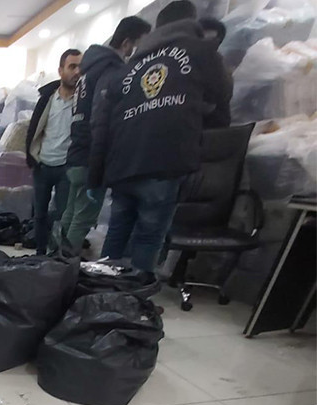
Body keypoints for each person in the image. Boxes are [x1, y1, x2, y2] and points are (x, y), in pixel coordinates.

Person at [88, 0, 232, 272]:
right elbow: (221, 101)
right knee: (148, 237)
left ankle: (100, 289)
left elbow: (103, 122)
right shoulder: (201, 52)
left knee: (117, 235)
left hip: (122, 165)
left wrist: (96, 175)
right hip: (164, 161)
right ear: (191, 23)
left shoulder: (131, 65)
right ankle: (134, 294)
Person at [60, 17, 151, 253]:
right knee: (81, 220)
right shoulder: (111, 70)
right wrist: (98, 168)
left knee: (70, 214)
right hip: (91, 157)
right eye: (139, 43)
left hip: (76, 153)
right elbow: (101, 121)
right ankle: (63, 266)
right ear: (127, 42)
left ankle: (54, 260)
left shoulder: (89, 70)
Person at [24, 49, 82, 255]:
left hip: (67, 167)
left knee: (62, 215)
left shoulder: (83, 101)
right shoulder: (47, 99)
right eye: (72, 66)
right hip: (43, 165)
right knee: (39, 214)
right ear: (61, 70)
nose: (77, 71)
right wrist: (32, 157)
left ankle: (57, 256)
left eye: (80, 67)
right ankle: (40, 255)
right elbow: (34, 128)